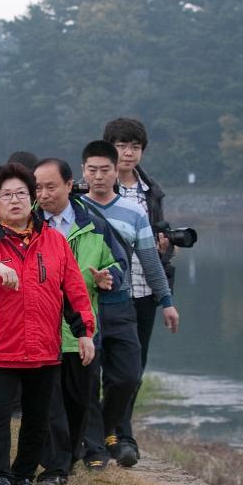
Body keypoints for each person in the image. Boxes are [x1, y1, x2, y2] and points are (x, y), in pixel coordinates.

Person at [0, 163, 95, 485]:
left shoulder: (55, 242)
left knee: (37, 417)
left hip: (45, 348)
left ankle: (23, 479)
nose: (14, 201)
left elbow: (73, 291)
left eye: (21, 194)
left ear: (32, 200)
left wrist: (85, 333)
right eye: (6, 195)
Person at [76, 140, 178, 468]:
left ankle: (107, 427)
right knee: (88, 377)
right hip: (85, 306)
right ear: (83, 172)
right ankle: (93, 446)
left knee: (128, 376)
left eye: (105, 170)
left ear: (115, 171)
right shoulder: (75, 209)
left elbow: (150, 260)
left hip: (122, 303)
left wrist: (166, 301)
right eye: (92, 170)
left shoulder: (135, 212)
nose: (99, 176)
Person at [34, 157, 122, 485]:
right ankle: (54, 466)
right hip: (41, 331)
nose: (43, 194)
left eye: (51, 186)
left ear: (70, 186)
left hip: (82, 331)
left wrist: (108, 276)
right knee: (49, 401)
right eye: (38, 187)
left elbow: (119, 264)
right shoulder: (28, 224)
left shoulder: (94, 224)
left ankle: (67, 459)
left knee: (78, 401)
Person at [103, 117, 177, 461]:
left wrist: (165, 248)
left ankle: (122, 434)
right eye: (121, 146)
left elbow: (157, 243)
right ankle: (101, 433)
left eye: (134, 147)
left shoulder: (151, 192)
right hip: (106, 291)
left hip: (144, 289)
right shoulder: (97, 188)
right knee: (101, 368)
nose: (128, 153)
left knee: (134, 370)